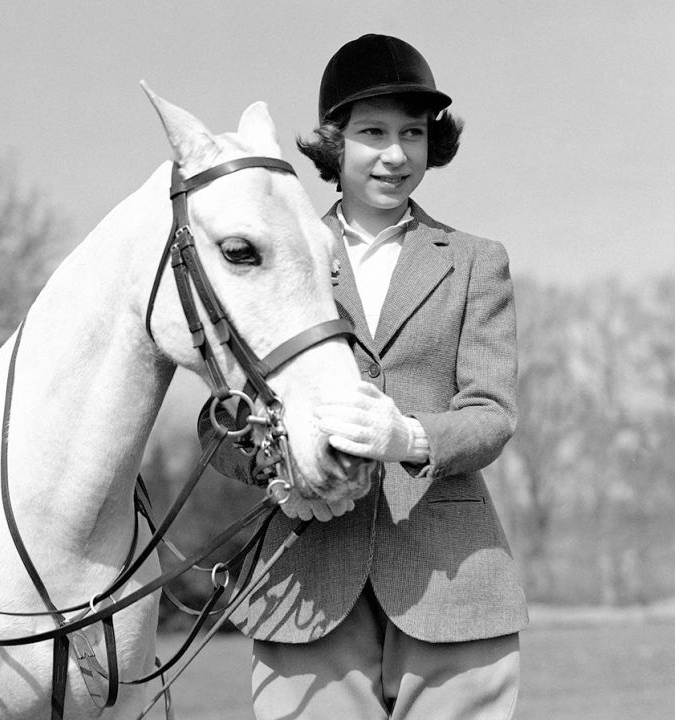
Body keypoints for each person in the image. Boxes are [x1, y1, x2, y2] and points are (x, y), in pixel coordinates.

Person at [216, 34, 525, 719]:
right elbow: (220, 424)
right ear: (334, 142)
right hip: (304, 582)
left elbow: (493, 412)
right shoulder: (271, 256)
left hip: (454, 584)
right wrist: (280, 462)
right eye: (373, 132)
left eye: (412, 133)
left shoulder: (478, 261)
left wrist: (409, 436)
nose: (394, 153)